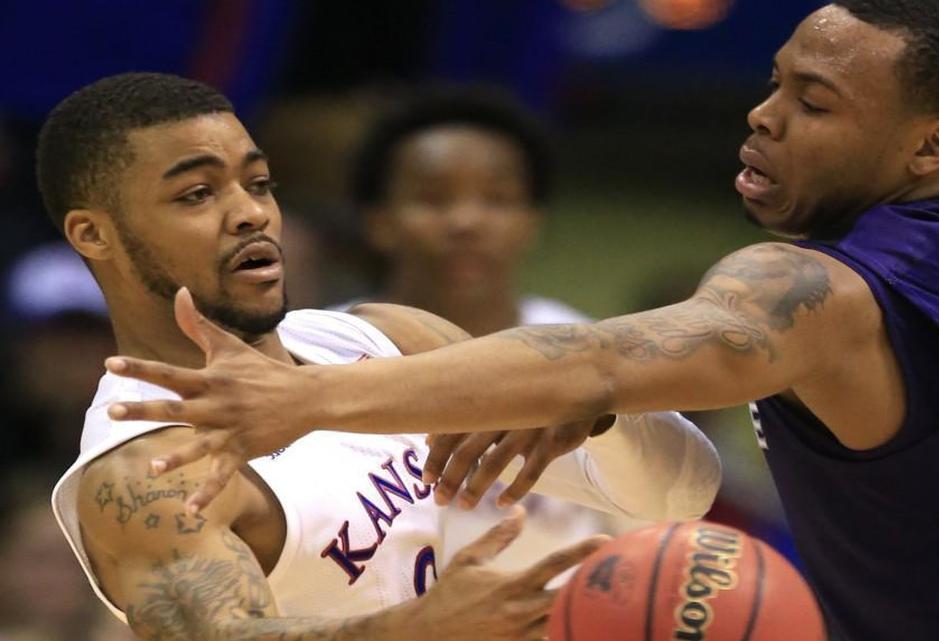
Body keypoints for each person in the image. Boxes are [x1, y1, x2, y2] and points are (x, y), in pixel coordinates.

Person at [108, 2, 939, 640]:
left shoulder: (812, 288)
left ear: (928, 145)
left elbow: (598, 355)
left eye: (814, 103)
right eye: (774, 82)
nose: (764, 116)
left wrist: (308, 399)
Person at [39, 72, 721, 641]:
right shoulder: (141, 473)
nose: (250, 213)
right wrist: (411, 629)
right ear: (93, 233)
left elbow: (683, 491)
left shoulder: (382, 338)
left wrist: (595, 413)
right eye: (196, 194)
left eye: (260, 182)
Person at [348, 87, 657, 571]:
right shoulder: (317, 347)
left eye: (497, 199)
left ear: (532, 220)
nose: (466, 221)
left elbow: (648, 538)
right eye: (433, 199)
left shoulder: (594, 356)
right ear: (378, 220)